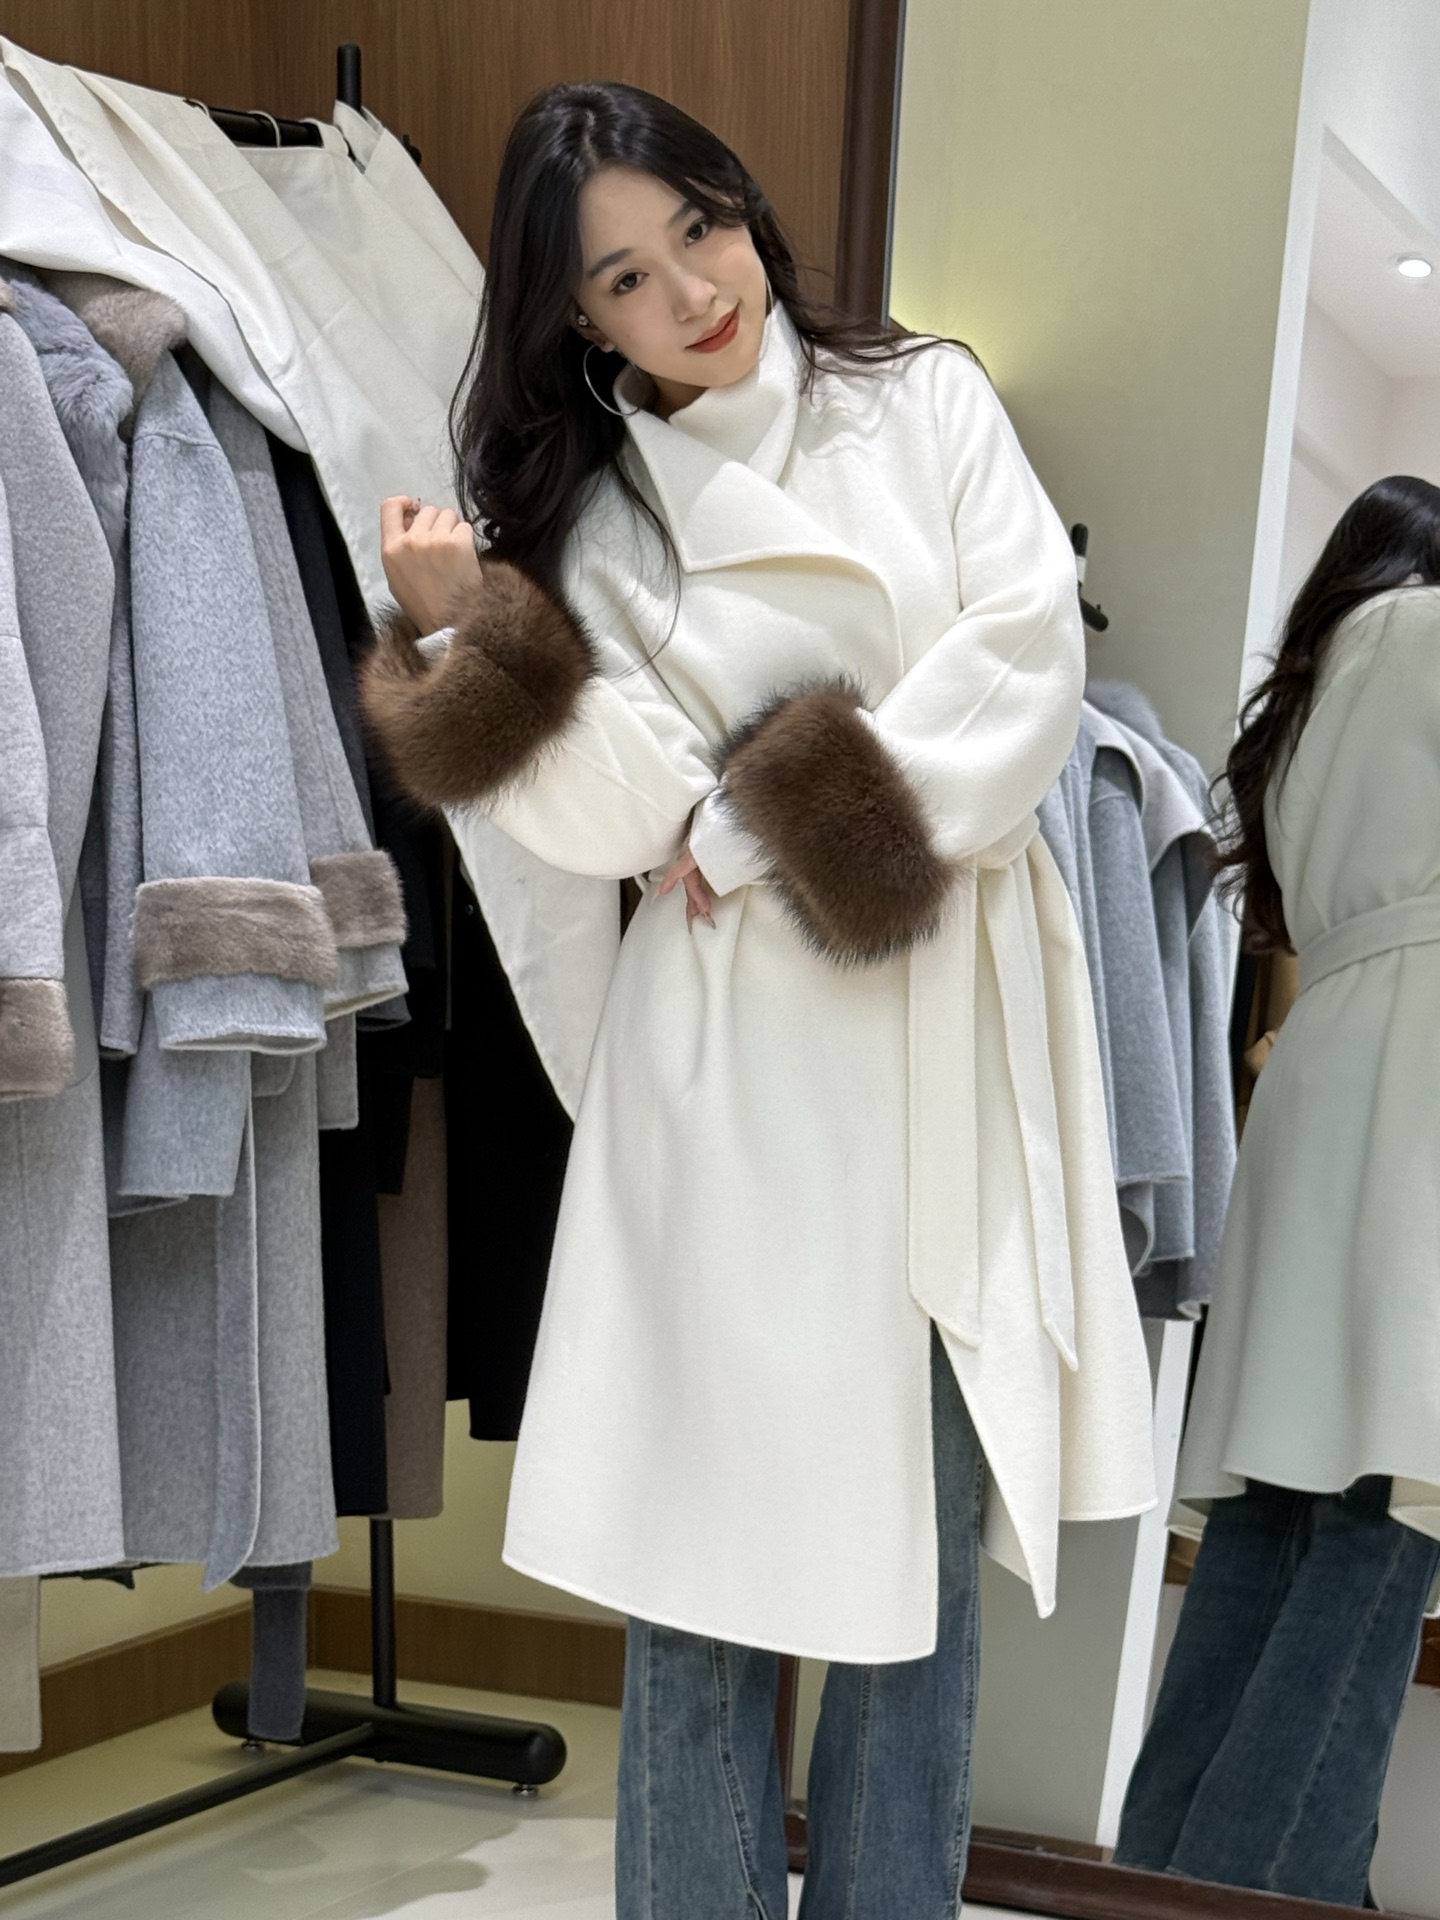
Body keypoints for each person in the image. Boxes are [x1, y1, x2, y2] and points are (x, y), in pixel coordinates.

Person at [363, 80, 1153, 1920]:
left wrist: (757, 810)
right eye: (626, 280)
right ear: (583, 322)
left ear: (742, 207)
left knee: (920, 1565)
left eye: (697, 231)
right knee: (702, 1573)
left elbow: (1023, 662)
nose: (692, 295)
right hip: (733, 1078)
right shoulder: (603, 522)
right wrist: (466, 629)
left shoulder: (925, 400)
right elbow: (615, 815)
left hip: (938, 1033)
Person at [1115, 475, 1440, 1905]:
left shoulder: (1307, 698)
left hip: (1323, 1082)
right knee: (1387, 1527)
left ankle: (1165, 1881)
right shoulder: (1428, 638)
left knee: (1271, 1526)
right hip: (1421, 1083)